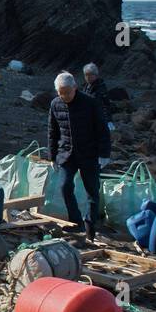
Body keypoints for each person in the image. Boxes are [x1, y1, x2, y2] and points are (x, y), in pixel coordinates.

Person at [47, 71, 111, 240]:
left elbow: (102, 129)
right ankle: (76, 222)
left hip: (89, 153)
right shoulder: (55, 104)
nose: (65, 96)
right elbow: (53, 132)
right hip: (66, 154)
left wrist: (104, 154)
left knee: (92, 191)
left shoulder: (90, 103)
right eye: (61, 93)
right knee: (64, 186)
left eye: (68, 92)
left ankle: (90, 227)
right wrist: (52, 156)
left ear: (75, 87)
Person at [83, 63, 113, 128]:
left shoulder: (100, 87)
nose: (88, 77)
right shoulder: (86, 86)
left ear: (96, 75)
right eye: (86, 75)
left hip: (99, 118)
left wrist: (108, 120)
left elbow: (106, 104)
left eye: (90, 75)